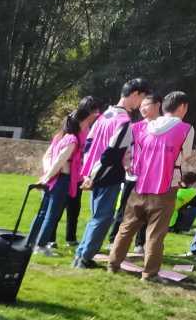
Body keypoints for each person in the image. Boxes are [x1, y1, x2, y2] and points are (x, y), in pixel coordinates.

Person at [109, 91, 194, 281]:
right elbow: (186, 156)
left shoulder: (140, 127)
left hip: (139, 185)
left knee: (126, 228)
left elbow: (130, 152)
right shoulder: (186, 129)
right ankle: (149, 274)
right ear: (182, 107)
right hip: (166, 187)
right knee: (155, 233)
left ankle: (113, 264)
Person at [73, 78, 151, 268]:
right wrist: (94, 176)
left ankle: (81, 254)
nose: (141, 103)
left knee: (96, 217)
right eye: (142, 98)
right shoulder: (124, 122)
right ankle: (84, 258)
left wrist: (88, 172)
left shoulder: (104, 116)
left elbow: (89, 146)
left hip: (95, 172)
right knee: (102, 218)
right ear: (135, 95)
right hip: (107, 175)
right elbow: (111, 153)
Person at [27, 111, 83, 255]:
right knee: (51, 215)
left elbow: (48, 157)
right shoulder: (72, 140)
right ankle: (40, 245)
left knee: (42, 213)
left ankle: (30, 242)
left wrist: (47, 175)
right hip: (60, 180)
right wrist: (48, 176)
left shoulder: (59, 137)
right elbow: (60, 160)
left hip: (52, 178)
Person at [110, 91, 162, 242]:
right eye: (141, 106)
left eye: (146, 105)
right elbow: (125, 148)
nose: (143, 108)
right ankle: (114, 239)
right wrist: (126, 162)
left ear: (158, 105)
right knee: (124, 208)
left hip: (152, 178)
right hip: (133, 175)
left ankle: (140, 243)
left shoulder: (164, 128)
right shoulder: (135, 127)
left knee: (147, 210)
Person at [64, 95, 101, 246]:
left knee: (74, 207)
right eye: (94, 111)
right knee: (59, 207)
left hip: (78, 175)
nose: (96, 115)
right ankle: (49, 239)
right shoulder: (72, 128)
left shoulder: (90, 129)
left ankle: (70, 238)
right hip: (67, 173)